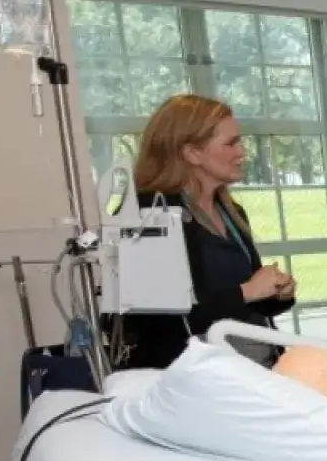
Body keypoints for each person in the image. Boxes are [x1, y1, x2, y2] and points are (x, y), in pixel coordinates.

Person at [115, 94, 293, 370]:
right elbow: (156, 319)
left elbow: (244, 303)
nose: (241, 152)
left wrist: (277, 294)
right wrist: (246, 291)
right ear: (192, 153)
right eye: (230, 143)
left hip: (253, 369)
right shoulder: (148, 215)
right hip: (192, 378)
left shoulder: (231, 213)